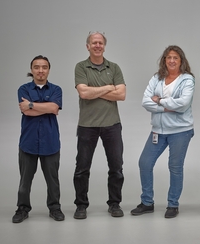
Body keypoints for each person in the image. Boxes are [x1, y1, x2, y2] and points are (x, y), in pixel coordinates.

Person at [131, 45, 195, 218]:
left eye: (175, 57)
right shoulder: (156, 78)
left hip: (181, 131)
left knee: (175, 167)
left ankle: (173, 205)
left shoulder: (187, 79)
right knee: (144, 163)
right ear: (164, 60)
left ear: (181, 60)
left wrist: (158, 100)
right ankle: (147, 202)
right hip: (158, 130)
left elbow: (183, 104)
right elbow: (145, 102)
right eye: (168, 57)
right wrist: (167, 106)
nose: (172, 60)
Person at [73, 31, 126, 219]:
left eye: (100, 43)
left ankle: (114, 204)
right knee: (82, 168)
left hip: (112, 125)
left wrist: (93, 90)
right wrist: (108, 87)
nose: (97, 45)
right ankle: (81, 205)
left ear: (104, 46)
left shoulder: (114, 67)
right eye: (93, 43)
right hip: (87, 125)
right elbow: (83, 94)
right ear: (87, 46)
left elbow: (121, 95)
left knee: (116, 167)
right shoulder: (81, 67)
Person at [12, 55, 65, 223]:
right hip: (28, 142)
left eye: (44, 67)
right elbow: (25, 111)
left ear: (48, 70)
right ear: (32, 70)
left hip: (50, 142)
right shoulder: (23, 89)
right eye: (36, 67)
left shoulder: (56, 89)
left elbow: (54, 108)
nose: (40, 70)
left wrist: (32, 104)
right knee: (25, 180)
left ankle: (55, 208)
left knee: (53, 180)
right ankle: (22, 208)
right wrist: (45, 108)